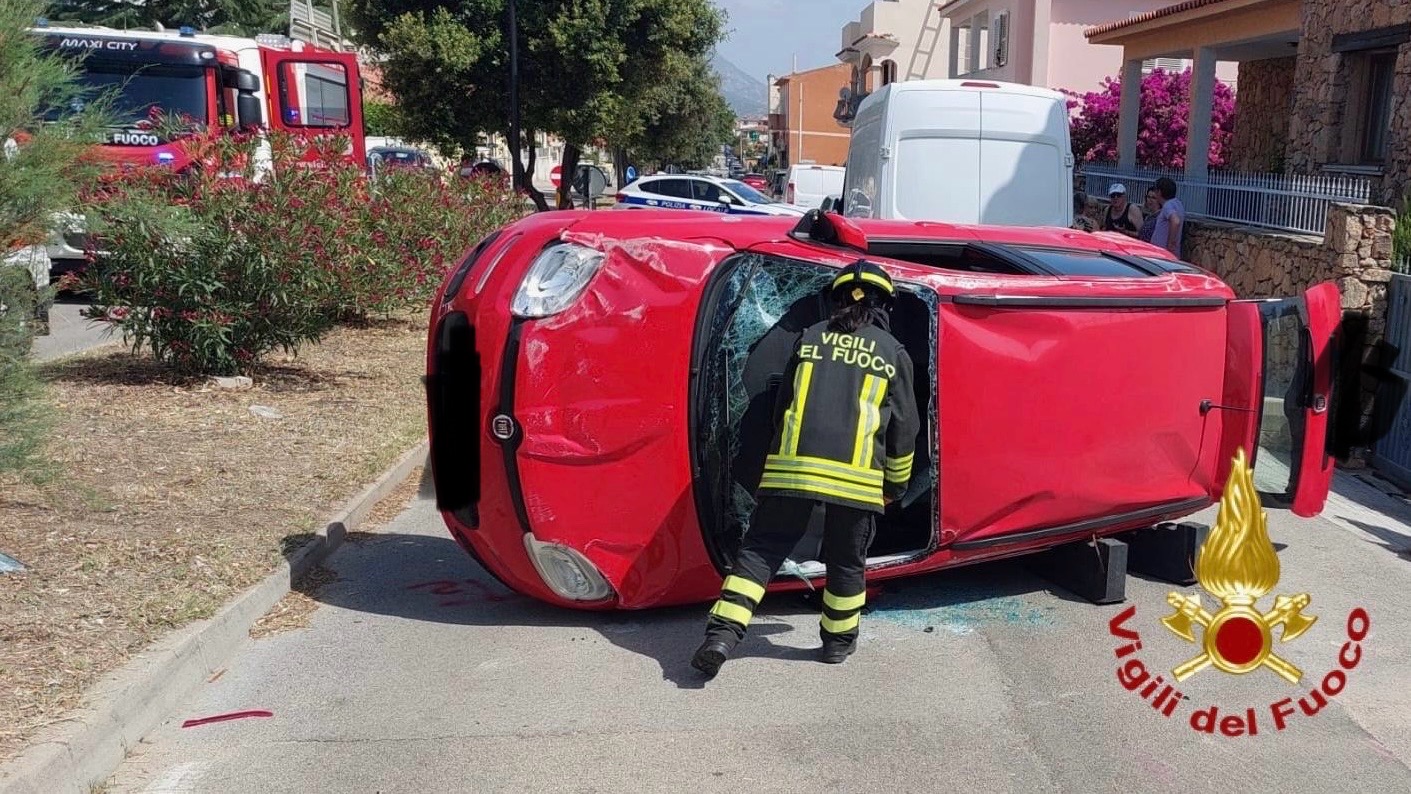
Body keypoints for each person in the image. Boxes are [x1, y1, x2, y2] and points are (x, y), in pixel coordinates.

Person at [691, 261, 921, 677]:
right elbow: (906, 429)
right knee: (846, 562)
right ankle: (836, 644)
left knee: (761, 553)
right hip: (856, 482)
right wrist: (896, 486)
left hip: (789, 473)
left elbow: (783, 410)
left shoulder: (809, 338)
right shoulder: (893, 353)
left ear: (834, 300)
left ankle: (721, 637)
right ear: (883, 304)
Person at [1151, 176, 1185, 257]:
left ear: (1159, 192)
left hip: (1162, 254)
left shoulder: (1168, 205)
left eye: (1155, 191)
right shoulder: (1178, 204)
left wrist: (1170, 243)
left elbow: (1176, 221)